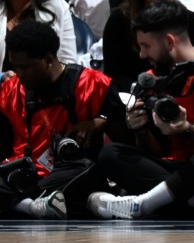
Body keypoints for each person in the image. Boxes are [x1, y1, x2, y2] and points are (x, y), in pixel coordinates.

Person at [88, 0, 194, 219]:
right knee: (111, 154)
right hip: (173, 173)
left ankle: (146, 202)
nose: (141, 55)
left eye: (146, 46)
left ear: (169, 42)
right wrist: (141, 131)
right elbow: (156, 153)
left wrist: (187, 130)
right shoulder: (150, 81)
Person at [0, 20, 127, 219]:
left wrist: (101, 121)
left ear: (48, 59)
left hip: (74, 173)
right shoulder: (10, 92)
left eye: (24, 67)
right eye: (15, 67)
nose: (18, 74)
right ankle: (34, 206)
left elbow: (125, 141)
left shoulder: (94, 86)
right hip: (22, 177)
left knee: (85, 169)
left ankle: (27, 204)